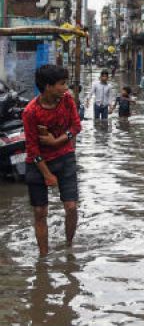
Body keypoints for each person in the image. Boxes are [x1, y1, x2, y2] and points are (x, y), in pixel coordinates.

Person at [22, 65, 82, 257]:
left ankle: (69, 246)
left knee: (71, 207)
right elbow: (32, 149)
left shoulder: (66, 101)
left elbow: (76, 126)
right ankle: (43, 257)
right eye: (62, 84)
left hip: (65, 157)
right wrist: (47, 174)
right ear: (48, 86)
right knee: (40, 211)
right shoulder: (31, 112)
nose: (66, 88)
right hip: (38, 164)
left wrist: (56, 140)